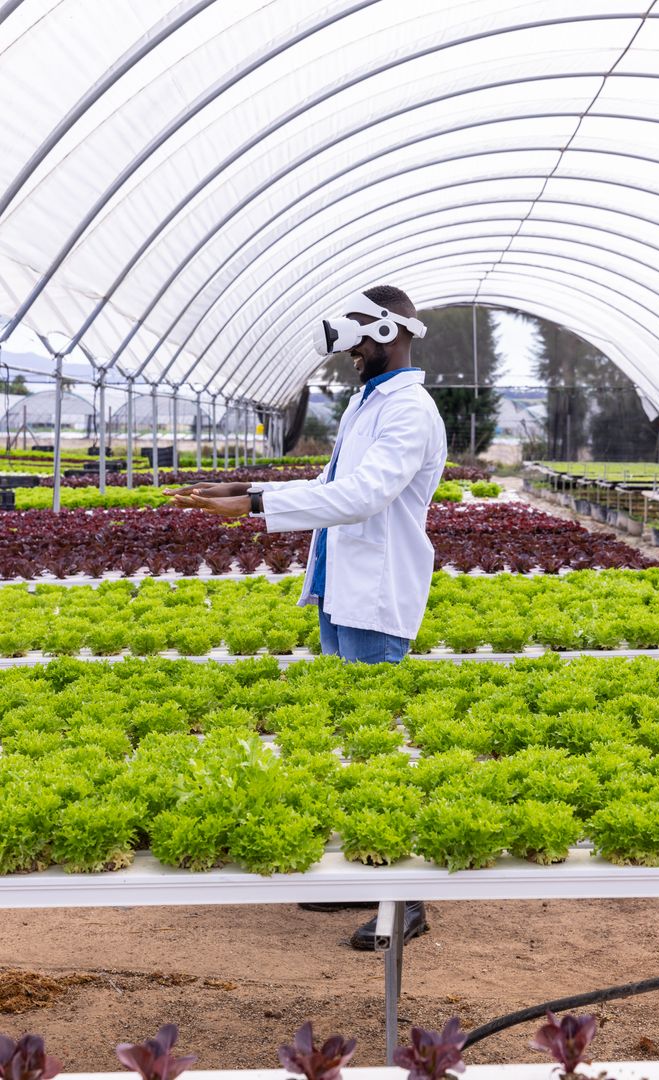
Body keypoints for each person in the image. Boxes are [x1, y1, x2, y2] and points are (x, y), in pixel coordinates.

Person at [167, 284, 447, 948]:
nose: (350, 356)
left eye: (356, 339)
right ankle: (364, 871)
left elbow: (368, 493)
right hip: (343, 588)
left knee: (379, 745)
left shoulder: (408, 410)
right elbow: (329, 487)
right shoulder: (368, 402)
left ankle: (404, 900)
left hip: (377, 594)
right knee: (352, 736)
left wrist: (258, 508)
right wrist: (248, 490)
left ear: (387, 333)